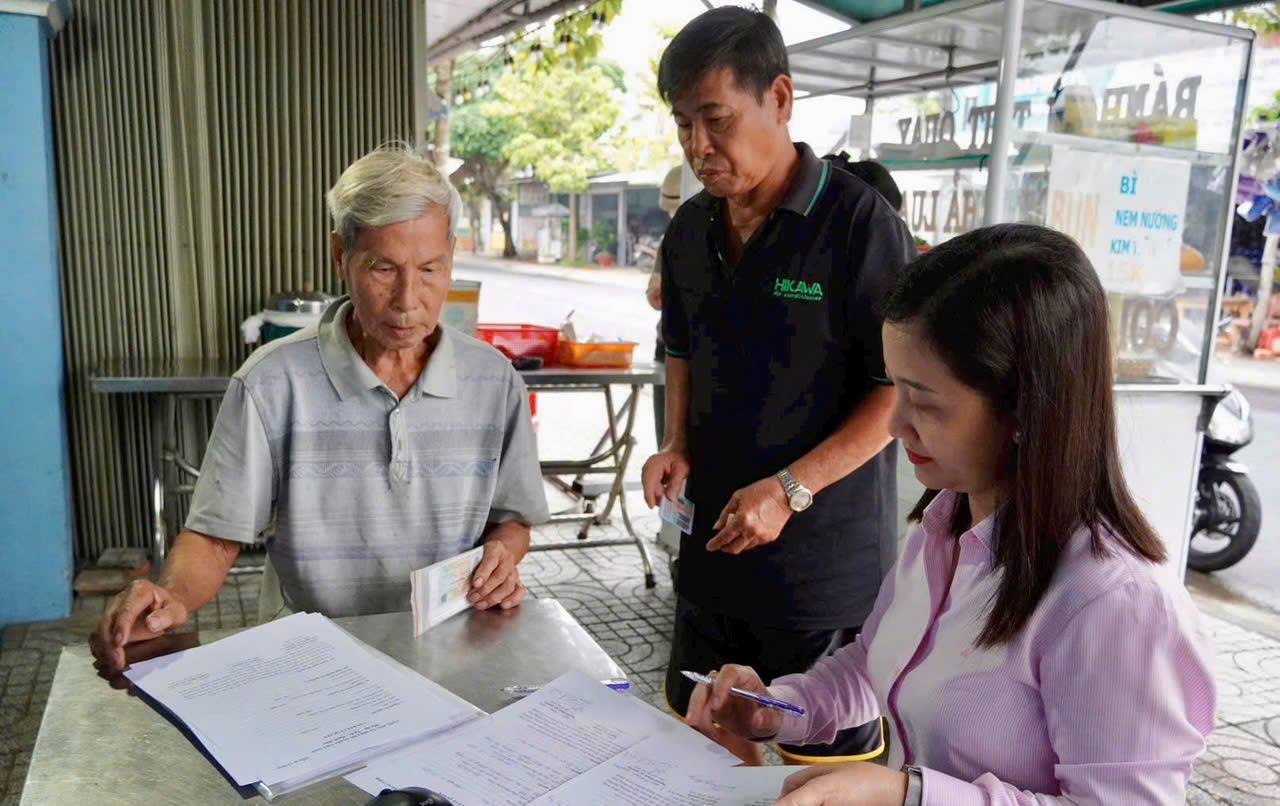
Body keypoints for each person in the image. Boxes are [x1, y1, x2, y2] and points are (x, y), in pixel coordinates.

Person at [686, 224, 1216, 804]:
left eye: (926, 402)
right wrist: (773, 709)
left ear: (1024, 408)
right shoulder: (947, 525)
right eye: (896, 391)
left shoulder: (1113, 602)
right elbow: (873, 661)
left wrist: (908, 793)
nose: (894, 425)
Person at [90, 145, 550, 673]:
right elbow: (217, 536)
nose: (408, 299)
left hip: (452, 653)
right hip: (310, 663)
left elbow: (513, 521)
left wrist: (502, 556)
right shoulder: (272, 383)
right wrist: (170, 598)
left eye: (430, 269)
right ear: (341, 257)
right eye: (383, 268)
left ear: (451, 260)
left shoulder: (493, 381)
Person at [640, 6, 914, 763]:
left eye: (716, 119)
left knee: (813, 775)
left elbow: (898, 395)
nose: (699, 146)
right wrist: (675, 443)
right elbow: (682, 348)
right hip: (709, 564)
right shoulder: (691, 230)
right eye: (683, 123)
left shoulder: (861, 226)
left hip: (817, 581)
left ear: (781, 99)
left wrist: (790, 488)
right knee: (701, 750)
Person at [646, 165, 685, 446]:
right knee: (669, 443)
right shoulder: (673, 240)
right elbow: (654, 289)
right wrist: (659, 292)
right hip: (670, 349)